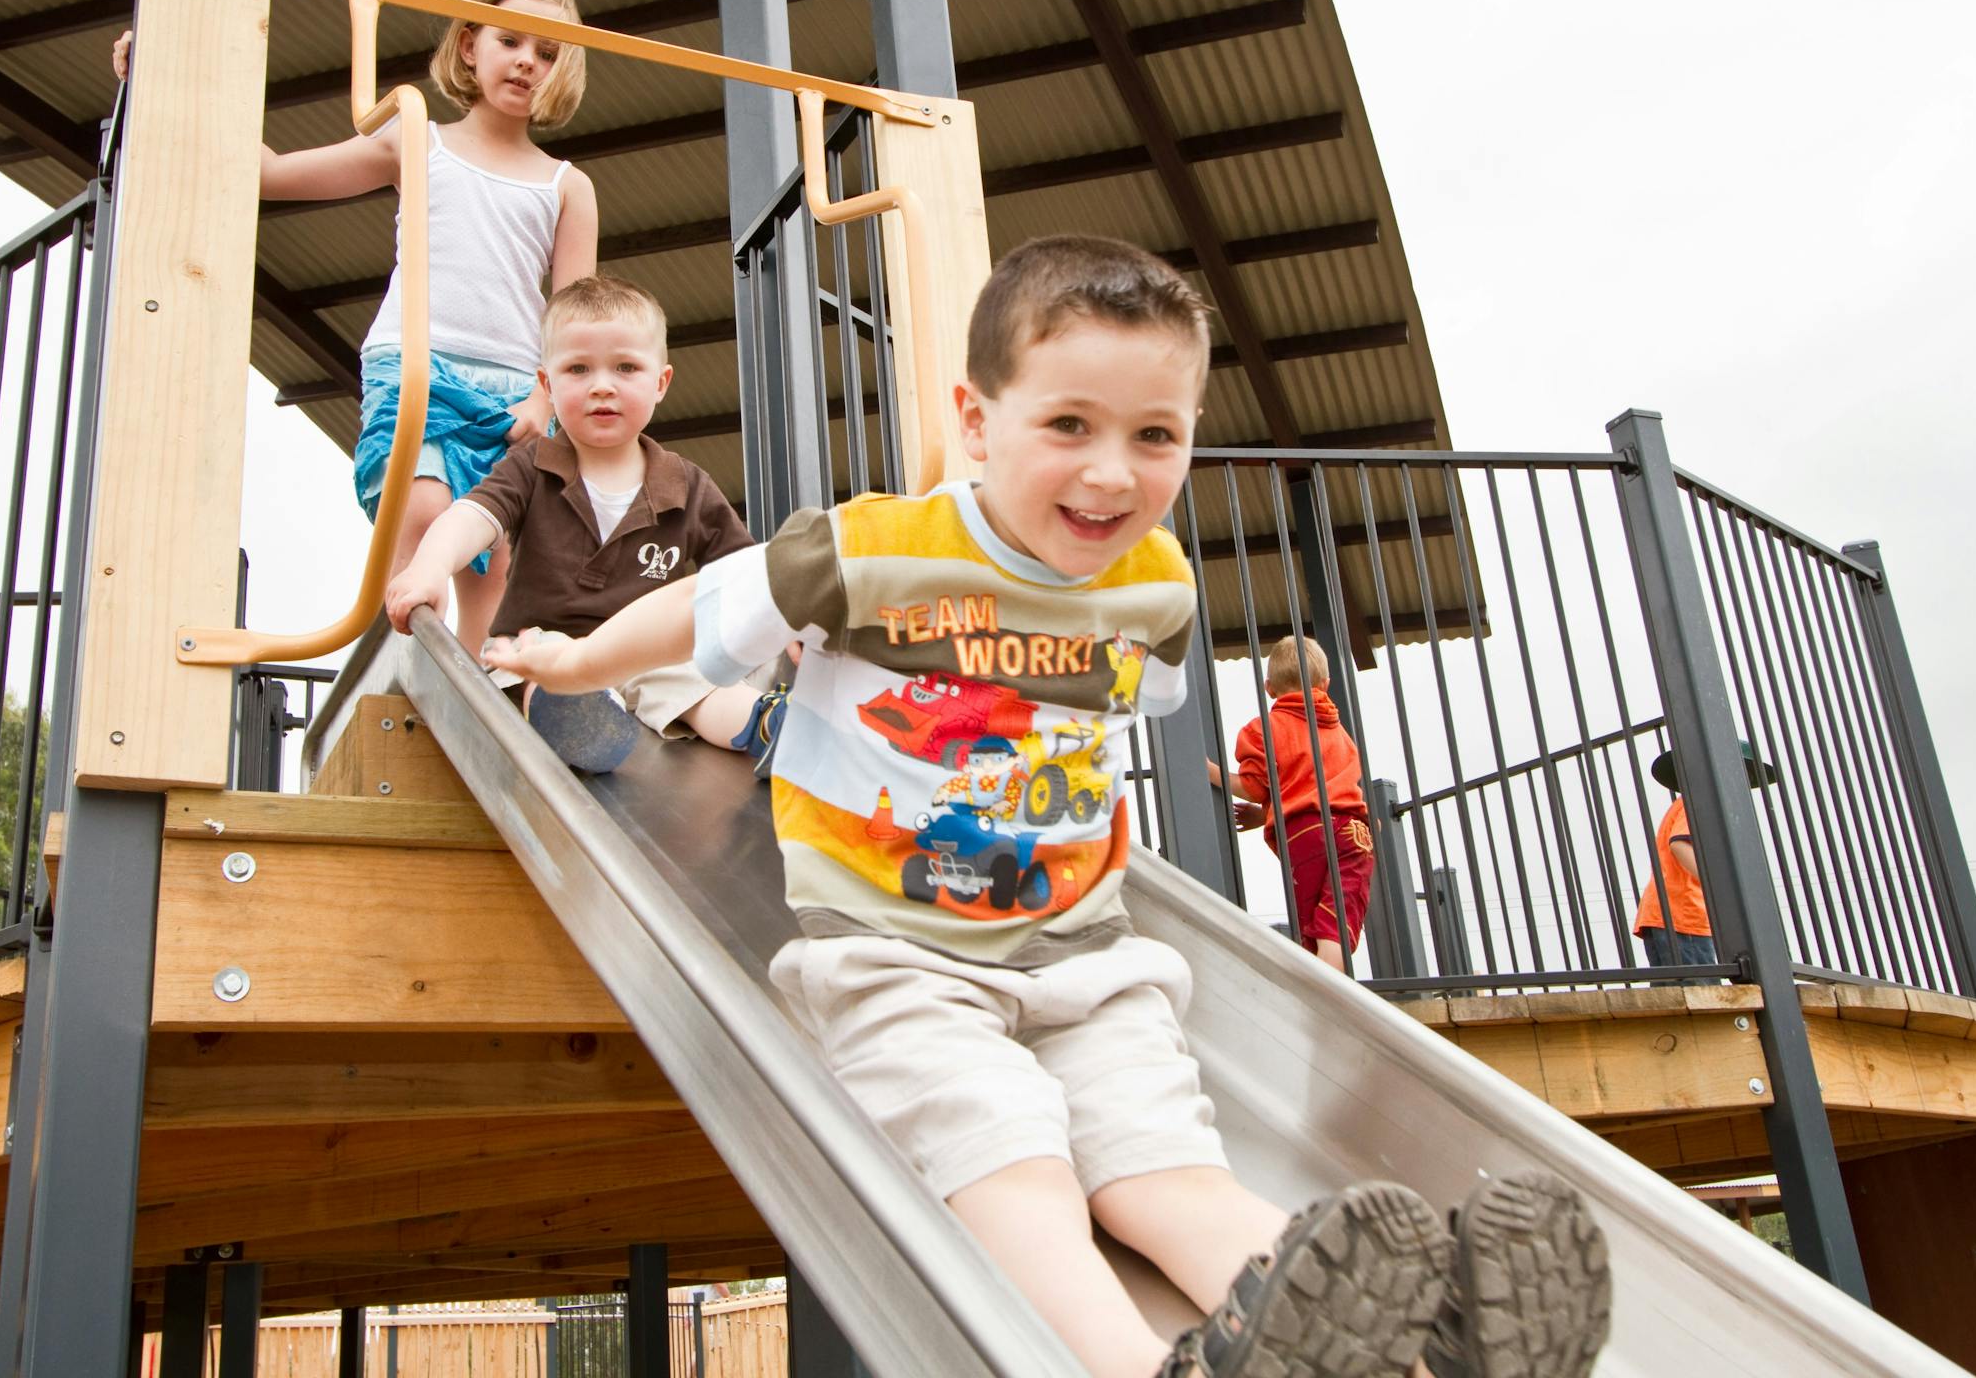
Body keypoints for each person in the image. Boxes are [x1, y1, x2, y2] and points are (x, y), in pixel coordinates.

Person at [488, 236, 1610, 1378]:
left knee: (1163, 1170)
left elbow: (1138, 692)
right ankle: (1136, 1367)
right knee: (1007, 1162)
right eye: (1068, 425)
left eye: (1153, 435)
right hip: (896, 960)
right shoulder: (872, 550)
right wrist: (573, 664)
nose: (1111, 474)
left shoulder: (1155, 582)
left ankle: (1428, 1347)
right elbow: (695, 610)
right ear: (977, 423)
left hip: (1086, 957)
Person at [116, 0, 601, 654]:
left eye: (547, 52)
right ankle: (401, 666)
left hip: (510, 388)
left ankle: (482, 696)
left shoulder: (565, 184)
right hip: (416, 365)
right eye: (509, 40)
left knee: (491, 562)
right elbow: (270, 172)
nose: (527, 60)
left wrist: (545, 397)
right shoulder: (416, 140)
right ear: (469, 47)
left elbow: (574, 315)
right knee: (426, 508)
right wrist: (165, 80)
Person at [384, 275, 783, 772]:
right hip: (543, 646)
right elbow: (472, 517)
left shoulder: (685, 485)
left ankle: (772, 726)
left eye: (625, 367)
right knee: (538, 665)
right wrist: (429, 566)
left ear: (660, 383)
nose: (602, 385)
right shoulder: (532, 466)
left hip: (642, 653)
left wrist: (790, 627)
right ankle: (574, 724)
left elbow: (745, 574)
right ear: (547, 386)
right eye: (578, 368)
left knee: (694, 680)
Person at [1209, 635, 1374, 975]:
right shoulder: (1337, 730)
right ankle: (1336, 996)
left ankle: (1321, 999)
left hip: (1303, 835)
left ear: (1269, 688)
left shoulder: (1263, 729)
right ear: (1325, 685)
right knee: (1336, 923)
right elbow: (1326, 785)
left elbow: (1257, 787)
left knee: (1310, 927)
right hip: (1353, 832)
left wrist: (1211, 772)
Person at [1633, 739, 1777, 975]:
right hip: (1683, 915)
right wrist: (1717, 885)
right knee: (1698, 987)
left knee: (1677, 994)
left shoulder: (1688, 804)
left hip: (1669, 915)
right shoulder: (1699, 802)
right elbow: (1680, 844)